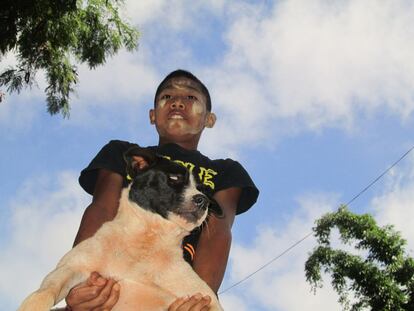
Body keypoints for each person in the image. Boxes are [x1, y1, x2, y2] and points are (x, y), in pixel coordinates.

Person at [64, 69, 259, 311]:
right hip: (110, 289)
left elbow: (217, 231)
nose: (177, 101)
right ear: (153, 115)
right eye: (167, 97)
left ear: (209, 119)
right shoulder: (122, 153)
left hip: (170, 296)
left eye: (191, 98)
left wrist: (199, 300)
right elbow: (102, 208)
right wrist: (82, 283)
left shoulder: (225, 171)